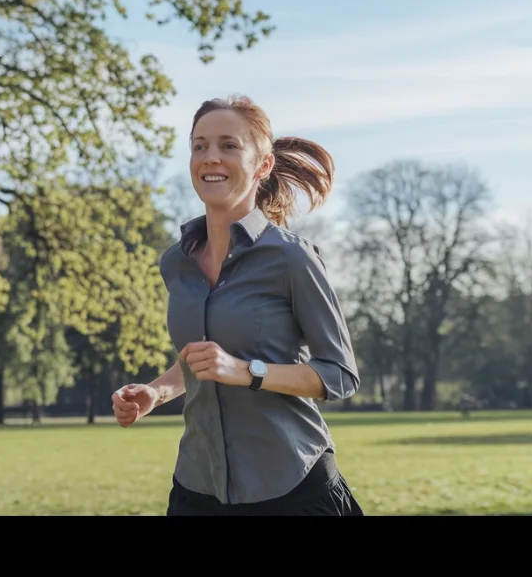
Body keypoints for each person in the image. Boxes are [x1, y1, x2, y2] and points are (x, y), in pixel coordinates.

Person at [111, 94, 364, 516]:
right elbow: (198, 359)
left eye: (229, 145)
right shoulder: (176, 263)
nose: (210, 156)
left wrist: (247, 371)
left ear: (263, 165)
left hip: (291, 487)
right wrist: (156, 392)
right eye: (200, 146)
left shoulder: (292, 259)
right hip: (197, 486)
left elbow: (340, 374)